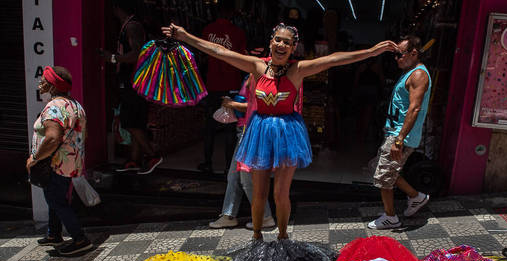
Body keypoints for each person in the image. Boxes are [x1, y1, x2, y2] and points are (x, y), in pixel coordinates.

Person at [162, 22, 398, 240]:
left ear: (294, 47)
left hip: (287, 133)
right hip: (259, 132)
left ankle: (283, 237)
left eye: (287, 42)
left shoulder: (298, 70)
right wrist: (185, 37)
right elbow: (219, 51)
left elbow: (334, 59)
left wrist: (371, 52)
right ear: (271, 42)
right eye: (278, 40)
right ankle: (256, 237)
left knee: (280, 194)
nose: (282, 45)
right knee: (258, 194)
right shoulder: (256, 66)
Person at [26, 66, 93, 256]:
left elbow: (53, 137)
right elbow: (84, 135)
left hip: (56, 162)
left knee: (55, 199)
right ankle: (53, 234)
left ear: (52, 85)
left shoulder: (55, 107)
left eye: (44, 80)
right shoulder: (74, 105)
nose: (40, 83)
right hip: (69, 162)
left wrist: (35, 158)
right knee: (55, 197)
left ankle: (80, 239)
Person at [368, 35, 431, 230]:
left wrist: (399, 139)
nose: (396, 59)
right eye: (395, 55)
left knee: (385, 177)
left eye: (399, 54)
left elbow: (414, 109)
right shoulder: (409, 72)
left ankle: (390, 217)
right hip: (394, 133)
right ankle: (416, 196)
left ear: (414, 53)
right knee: (379, 169)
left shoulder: (419, 75)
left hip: (400, 135)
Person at [209, 75, 275, 229]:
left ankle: (265, 216)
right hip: (244, 130)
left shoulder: (262, 77)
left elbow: (259, 105)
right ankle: (228, 215)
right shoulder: (249, 75)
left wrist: (231, 104)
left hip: (251, 131)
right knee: (234, 176)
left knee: (247, 178)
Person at [106, 0, 162, 175]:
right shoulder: (133, 25)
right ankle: (134, 160)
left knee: (128, 121)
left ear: (117, 7)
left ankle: (152, 155)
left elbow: (137, 54)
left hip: (133, 82)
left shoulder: (132, 27)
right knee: (136, 121)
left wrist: (113, 58)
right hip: (135, 82)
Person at [198, 0, 247, 174]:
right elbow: (243, 59)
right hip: (232, 84)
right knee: (229, 127)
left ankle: (208, 163)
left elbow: (202, 57)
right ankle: (228, 167)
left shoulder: (207, 30)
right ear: (232, 13)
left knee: (210, 126)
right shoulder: (238, 33)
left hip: (213, 84)